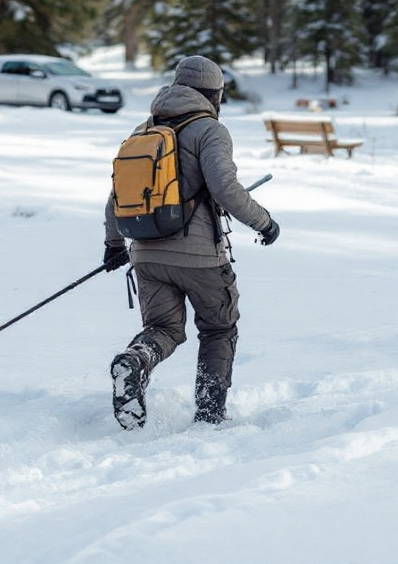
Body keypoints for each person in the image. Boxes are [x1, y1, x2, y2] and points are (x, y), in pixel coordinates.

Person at [102, 55, 280, 430]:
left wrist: (114, 244)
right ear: (212, 93)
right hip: (199, 256)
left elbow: (118, 194)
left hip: (146, 253)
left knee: (164, 330)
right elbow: (225, 188)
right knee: (218, 328)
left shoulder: (144, 129)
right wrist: (264, 222)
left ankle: (136, 359)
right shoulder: (210, 130)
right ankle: (210, 411)